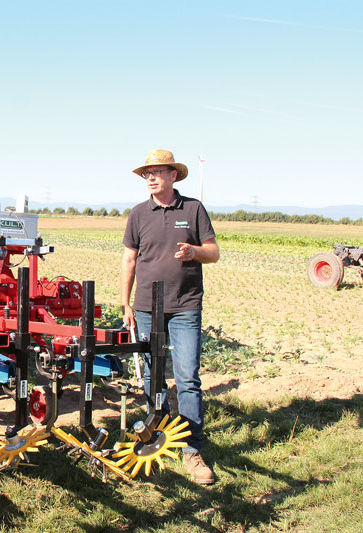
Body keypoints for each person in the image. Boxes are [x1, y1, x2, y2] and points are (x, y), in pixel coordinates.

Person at [120, 148, 220, 485]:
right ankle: (157, 436)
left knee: (188, 378)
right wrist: (126, 303)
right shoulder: (138, 214)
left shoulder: (192, 209)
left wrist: (194, 252)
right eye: (146, 173)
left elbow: (214, 253)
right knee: (152, 376)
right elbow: (129, 260)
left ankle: (192, 449)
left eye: (157, 172)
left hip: (185, 305)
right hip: (147, 307)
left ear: (173, 175)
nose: (150, 178)